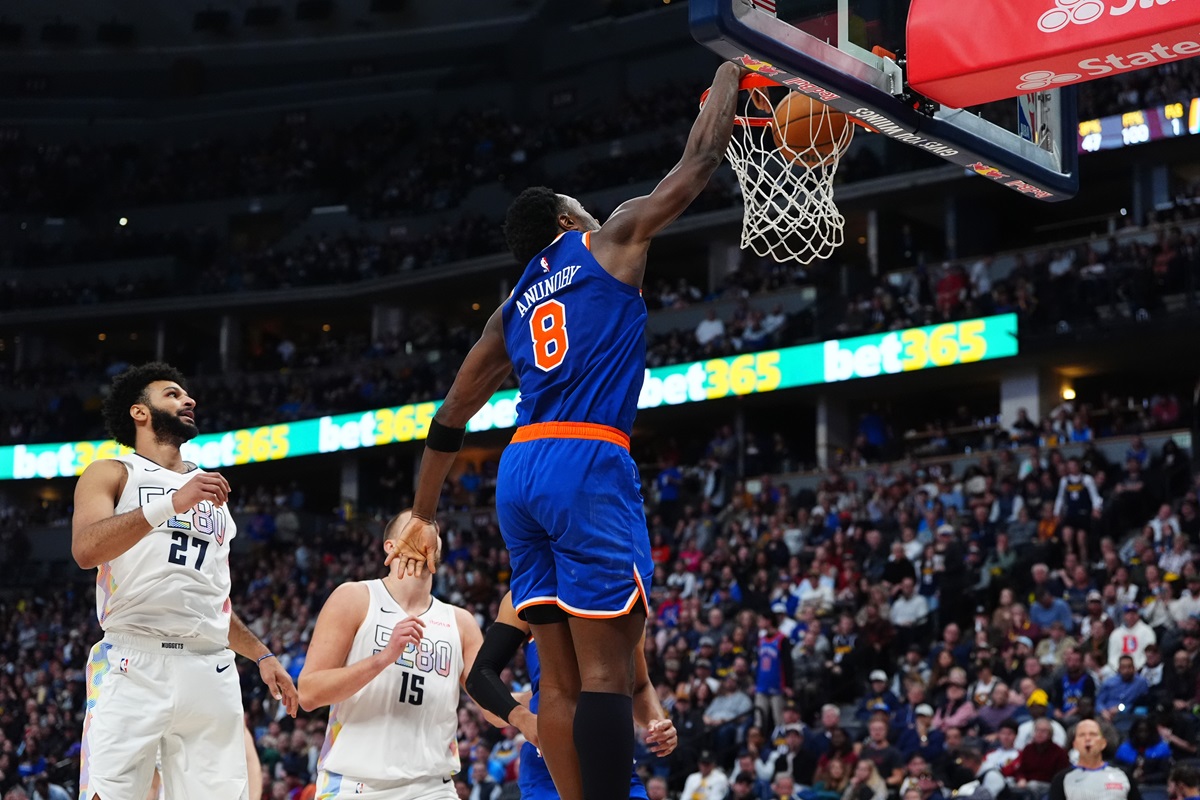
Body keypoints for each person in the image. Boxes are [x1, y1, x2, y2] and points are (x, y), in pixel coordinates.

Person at [387, 60, 744, 800]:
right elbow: (701, 160)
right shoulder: (609, 239)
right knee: (608, 668)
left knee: (560, 675)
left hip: (519, 469)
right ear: (562, 221)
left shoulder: (509, 309)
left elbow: (449, 417)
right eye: (578, 206)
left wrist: (422, 513)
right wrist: (735, 65)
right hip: (588, 457)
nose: (591, 209)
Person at [71, 362, 298, 800]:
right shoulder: (113, 472)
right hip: (133, 661)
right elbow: (85, 549)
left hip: (209, 665)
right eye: (172, 394)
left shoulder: (212, 492)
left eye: (186, 394)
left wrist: (261, 654)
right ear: (140, 412)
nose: (188, 399)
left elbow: (209, 601)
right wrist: (172, 503)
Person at [299, 510, 484, 798]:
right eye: (413, 529)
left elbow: (494, 710)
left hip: (433, 786)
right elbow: (309, 693)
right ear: (390, 546)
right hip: (356, 783)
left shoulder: (461, 622)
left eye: (430, 533)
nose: (423, 537)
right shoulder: (355, 598)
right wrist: (383, 657)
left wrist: (535, 705)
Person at [464, 591, 678, 800]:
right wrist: (524, 718)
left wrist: (658, 722)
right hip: (546, 766)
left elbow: (639, 686)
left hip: (610, 757)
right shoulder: (526, 593)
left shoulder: (620, 591)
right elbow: (480, 676)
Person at [1047, 720, 1141, 800]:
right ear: (1075, 745)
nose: (1087, 739)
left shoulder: (1123, 775)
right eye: (1082, 735)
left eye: (1093, 734)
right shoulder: (1062, 779)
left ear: (1103, 743)